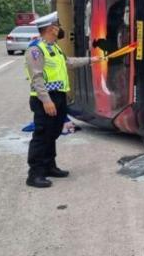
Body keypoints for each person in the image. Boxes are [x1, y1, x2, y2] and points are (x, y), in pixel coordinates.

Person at [24, 12, 104, 188]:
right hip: (45, 99)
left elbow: (68, 62)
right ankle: (35, 174)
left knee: (52, 134)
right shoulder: (36, 50)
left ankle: (49, 166)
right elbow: (36, 78)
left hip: (59, 96)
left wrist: (92, 60)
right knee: (42, 135)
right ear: (51, 28)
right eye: (57, 26)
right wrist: (46, 101)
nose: (59, 28)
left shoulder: (54, 47)